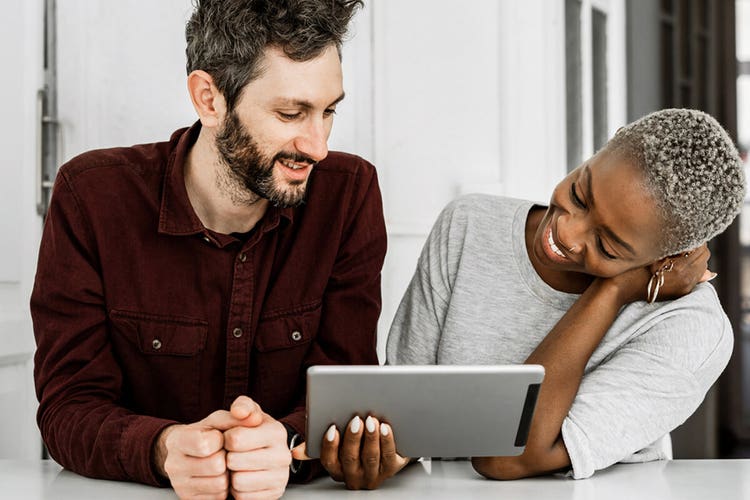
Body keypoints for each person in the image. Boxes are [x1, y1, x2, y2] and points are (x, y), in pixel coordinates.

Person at [30, 0, 384, 498]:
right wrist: (164, 447)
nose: (318, 145)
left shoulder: (349, 193)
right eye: (290, 113)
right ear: (209, 98)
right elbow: (68, 408)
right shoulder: (91, 198)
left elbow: (349, 388)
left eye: (328, 112)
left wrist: (284, 443)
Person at [301, 108, 745, 487]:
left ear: (666, 258)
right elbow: (402, 420)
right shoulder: (470, 227)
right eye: (580, 193)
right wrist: (384, 454)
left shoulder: (691, 329)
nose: (566, 234)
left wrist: (612, 291)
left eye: (609, 247)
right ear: (604, 148)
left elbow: (509, 456)